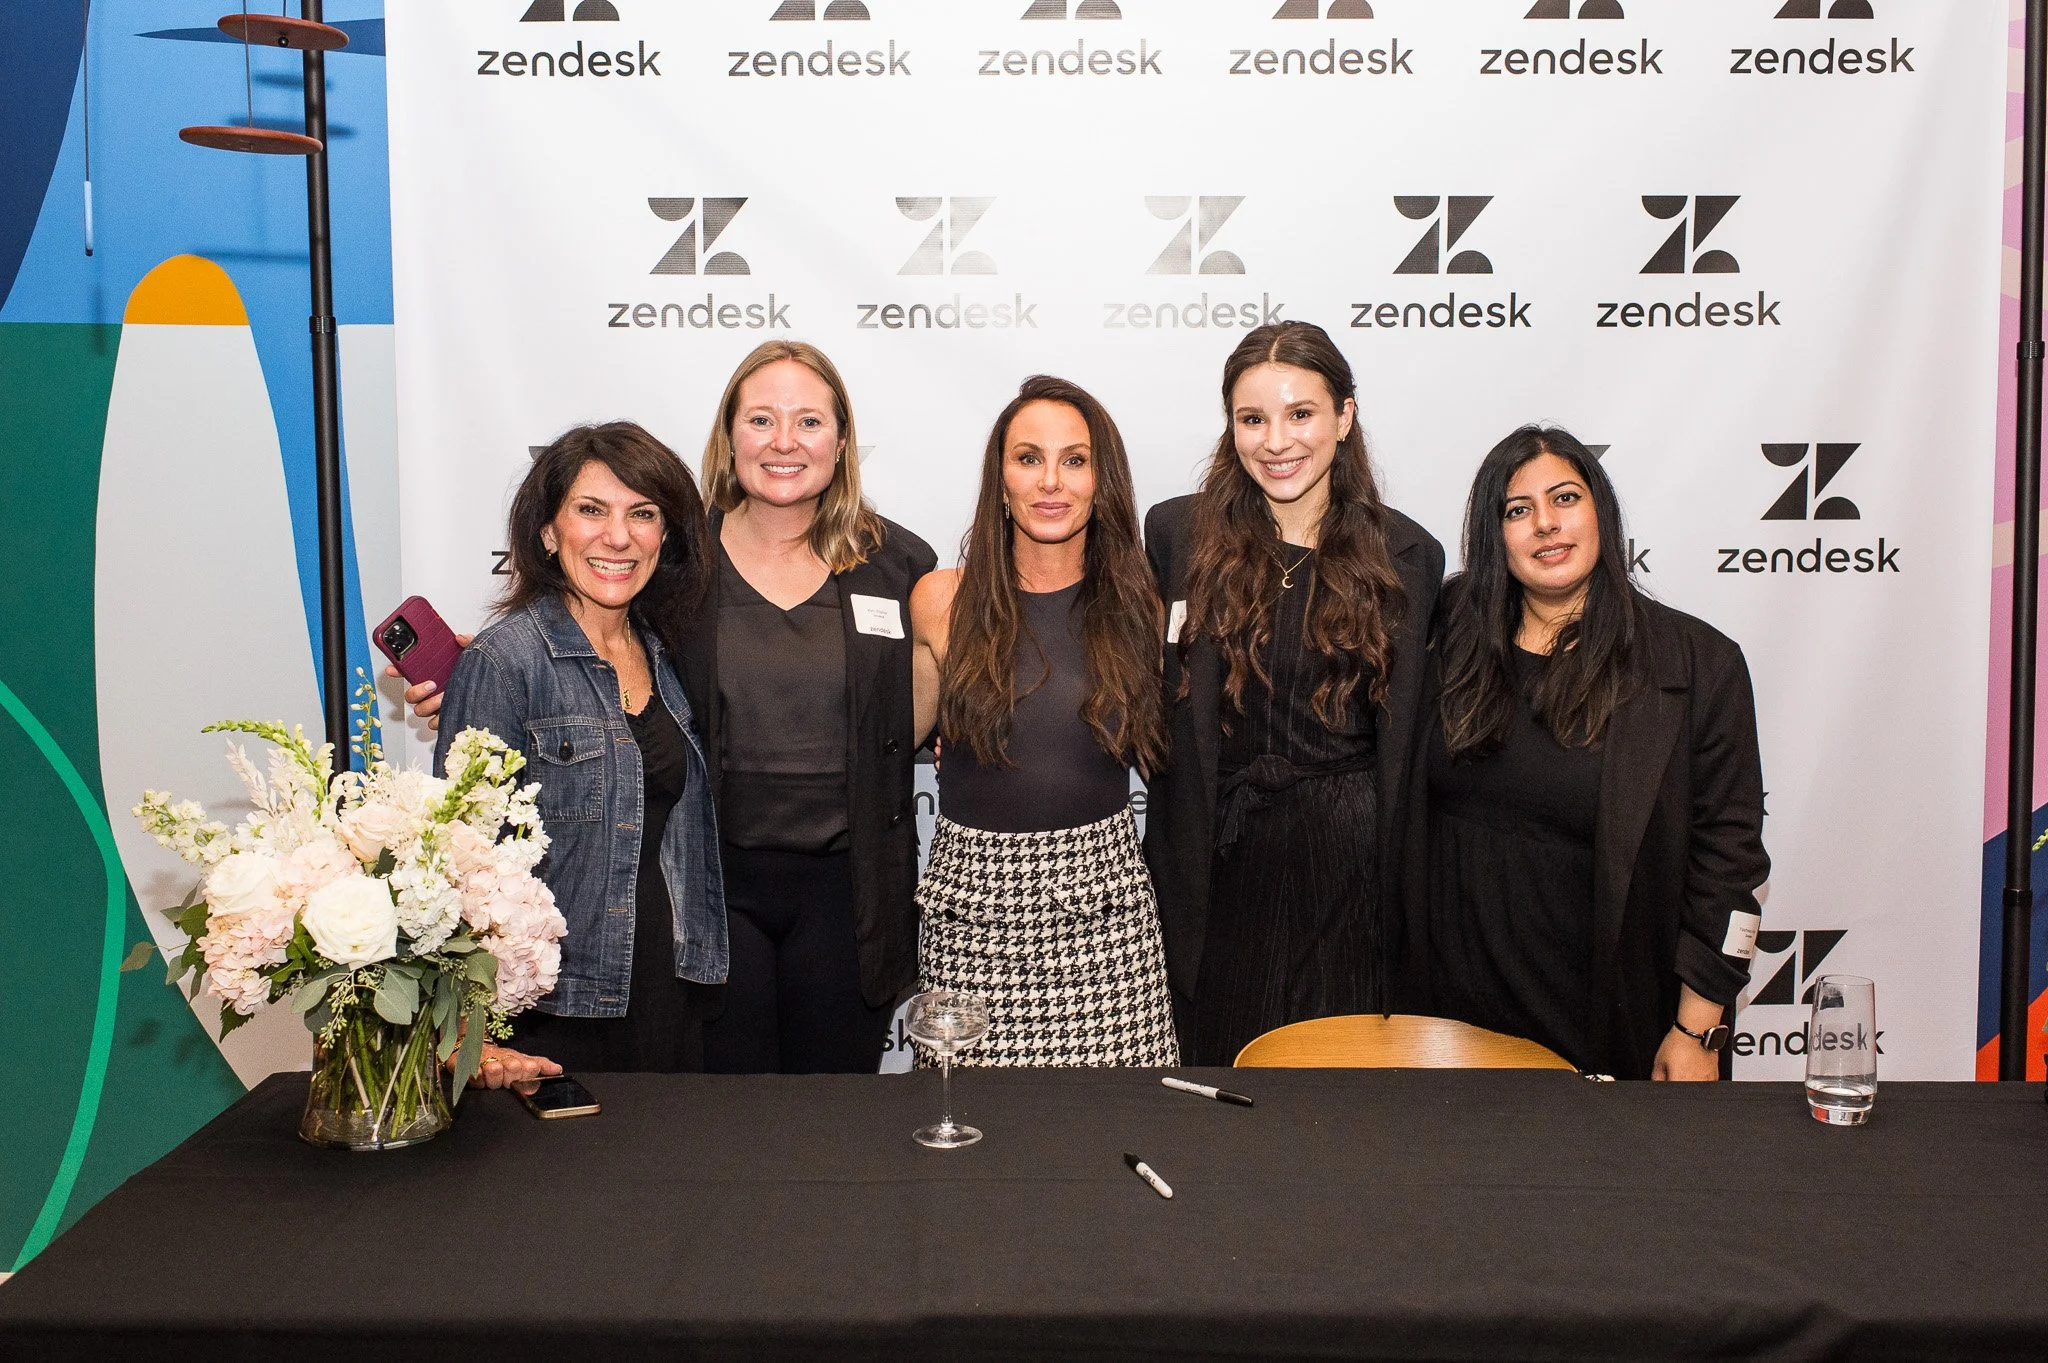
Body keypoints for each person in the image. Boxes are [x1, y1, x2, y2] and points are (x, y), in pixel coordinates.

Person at [1421, 425, 1768, 1080]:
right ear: (1494, 536)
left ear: (1600, 512)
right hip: (1450, 1040)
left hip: (1614, 1037)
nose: (1546, 524)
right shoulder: (1446, 635)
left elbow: (1731, 863)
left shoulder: (1697, 667)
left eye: (1565, 498)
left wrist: (1699, 1028)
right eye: (1518, 510)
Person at [1144, 321, 1445, 1067]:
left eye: (1300, 414)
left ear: (1344, 417)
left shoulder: (1407, 555)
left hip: (1349, 873)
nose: (1276, 441)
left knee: (1334, 1093)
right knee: (1215, 1072)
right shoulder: (1179, 532)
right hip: (1218, 859)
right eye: (1253, 419)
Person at [432, 422, 726, 1084]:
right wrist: (466, 1031)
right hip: (554, 1008)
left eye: (642, 514)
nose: (617, 536)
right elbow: (457, 863)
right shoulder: (504, 663)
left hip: (665, 989)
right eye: (591, 510)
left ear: (666, 535)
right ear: (546, 531)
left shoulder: (664, 653)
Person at [908, 375, 1178, 1067]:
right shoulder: (941, 599)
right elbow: (903, 733)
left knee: (1117, 1130)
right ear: (999, 481)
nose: (1051, 481)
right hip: (972, 914)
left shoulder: (1143, 605)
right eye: (1028, 458)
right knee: (973, 1143)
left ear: (1101, 481)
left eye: (1075, 459)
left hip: (1106, 918)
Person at [684, 340, 935, 1074]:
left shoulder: (898, 564)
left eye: (809, 422)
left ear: (842, 438)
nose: (785, 442)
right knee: (729, 1123)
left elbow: (959, 674)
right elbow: (595, 655)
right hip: (714, 890)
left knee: (834, 1125)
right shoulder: (676, 563)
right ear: (730, 437)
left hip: (847, 896)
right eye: (761, 419)